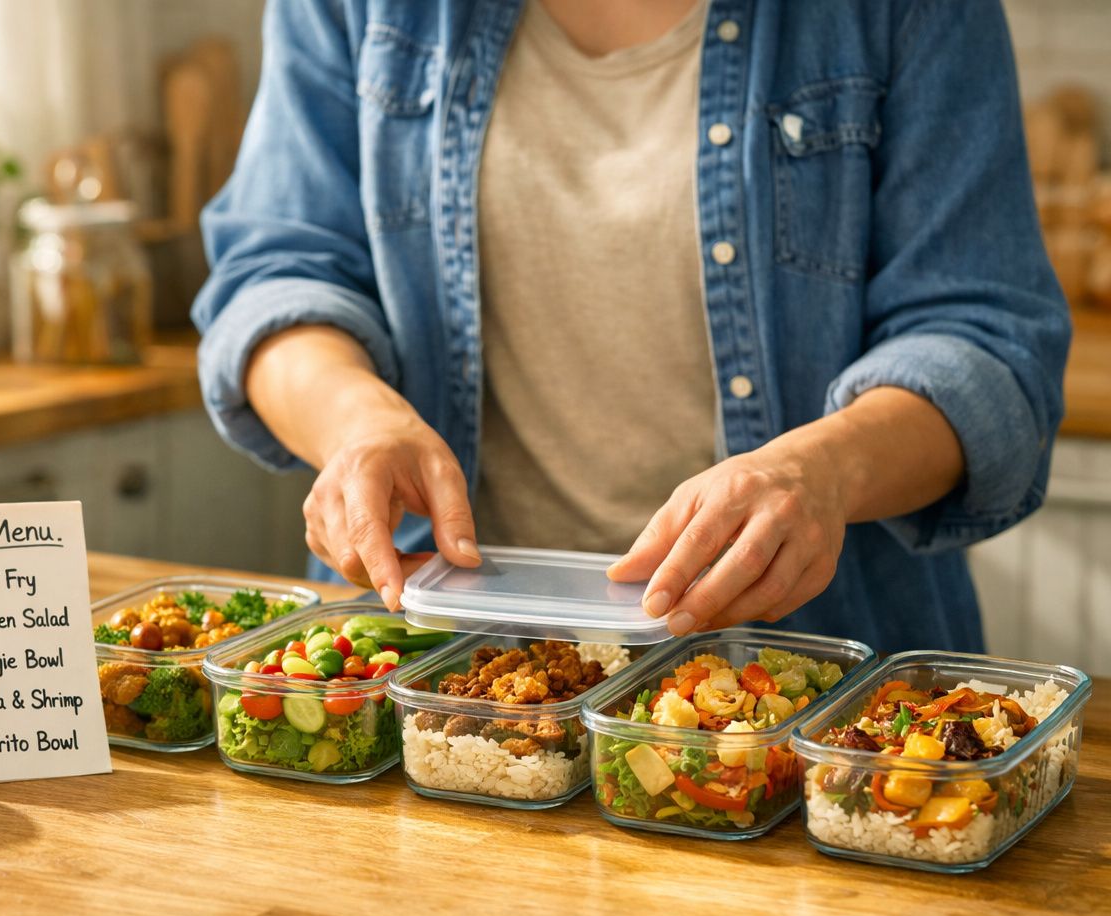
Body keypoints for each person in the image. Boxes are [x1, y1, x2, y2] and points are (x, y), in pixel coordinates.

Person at [192, 0, 1070, 653]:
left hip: (810, 674)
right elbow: (277, 275)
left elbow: (985, 345)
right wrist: (357, 423)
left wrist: (825, 471)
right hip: (429, 659)